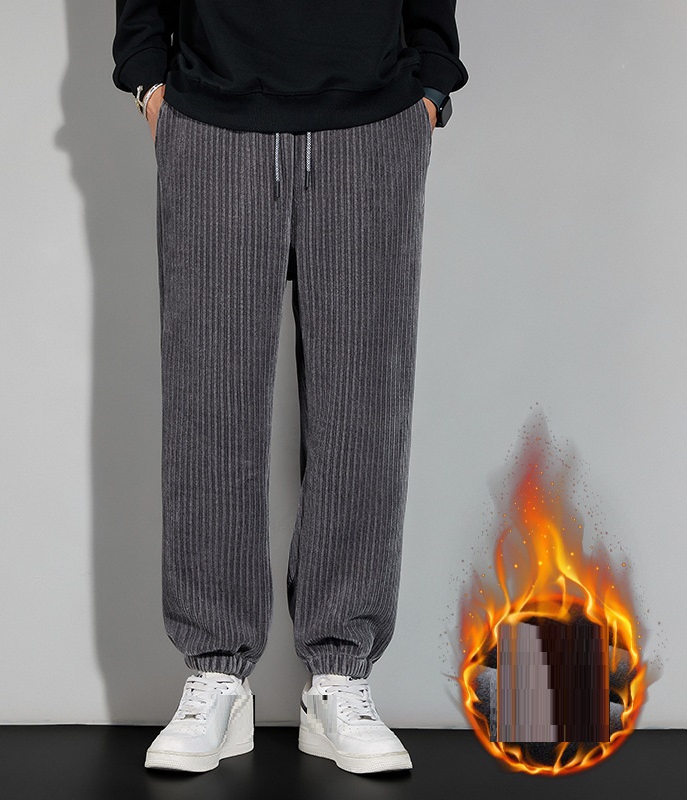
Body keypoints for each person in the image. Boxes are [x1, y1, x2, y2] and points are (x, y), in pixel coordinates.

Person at [112, 0, 467, 775]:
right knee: (209, 404)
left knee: (363, 407)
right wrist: (147, 82)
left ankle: (340, 674)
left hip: (373, 121)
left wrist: (432, 84)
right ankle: (216, 672)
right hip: (212, 119)